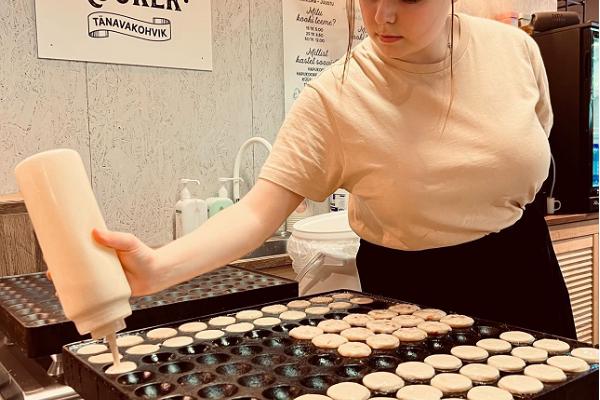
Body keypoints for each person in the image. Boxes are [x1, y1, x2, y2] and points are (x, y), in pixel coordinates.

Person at [92, 0, 577, 339]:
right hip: (414, 297)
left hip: (526, 269)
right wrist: (156, 269)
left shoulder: (516, 51)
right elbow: (256, 213)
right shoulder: (337, 96)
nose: (382, 15)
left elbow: (536, 142)